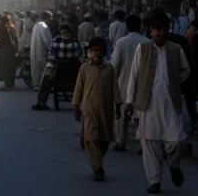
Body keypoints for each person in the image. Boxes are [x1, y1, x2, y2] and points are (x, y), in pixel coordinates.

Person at [125, 13, 190, 194]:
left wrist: (176, 82)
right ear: (150, 31)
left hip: (170, 104)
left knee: (176, 140)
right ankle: (154, 181)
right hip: (147, 105)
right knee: (150, 144)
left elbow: (186, 70)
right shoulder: (142, 49)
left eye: (161, 29)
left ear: (167, 30)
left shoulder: (176, 49)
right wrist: (129, 102)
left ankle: (174, 164)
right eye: (155, 30)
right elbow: (134, 76)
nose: (158, 33)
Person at [73, 37, 121, 182]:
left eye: (100, 50)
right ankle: (97, 168)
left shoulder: (109, 69)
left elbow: (115, 89)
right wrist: (76, 106)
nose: (97, 53)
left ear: (104, 52)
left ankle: (97, 162)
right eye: (94, 50)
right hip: (89, 109)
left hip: (106, 110)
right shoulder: (85, 69)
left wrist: (118, 107)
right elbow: (78, 88)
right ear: (90, 52)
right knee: (91, 138)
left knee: (105, 139)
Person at [110, 15, 145, 151]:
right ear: (140, 26)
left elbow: (115, 64)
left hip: (123, 82)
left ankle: (120, 142)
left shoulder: (121, 42)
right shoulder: (146, 42)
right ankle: (143, 144)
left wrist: (114, 82)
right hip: (141, 84)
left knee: (121, 115)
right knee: (140, 115)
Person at [33, 23, 82, 110]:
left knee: (47, 77)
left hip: (58, 72)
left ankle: (41, 101)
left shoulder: (56, 42)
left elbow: (51, 55)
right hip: (73, 73)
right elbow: (78, 55)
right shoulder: (75, 43)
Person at [0, 15, 18, 90]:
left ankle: (8, 85)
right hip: (13, 50)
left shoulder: (2, 28)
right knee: (11, 67)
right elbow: (16, 38)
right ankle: (12, 84)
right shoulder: (12, 26)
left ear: (1, 21)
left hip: (4, 50)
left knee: (4, 67)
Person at [30, 11, 53, 92]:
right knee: (42, 69)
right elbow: (46, 41)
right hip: (42, 52)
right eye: (51, 17)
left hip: (35, 51)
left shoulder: (37, 25)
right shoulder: (44, 26)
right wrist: (51, 49)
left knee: (36, 68)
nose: (52, 19)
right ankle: (40, 86)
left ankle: (36, 85)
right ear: (48, 17)